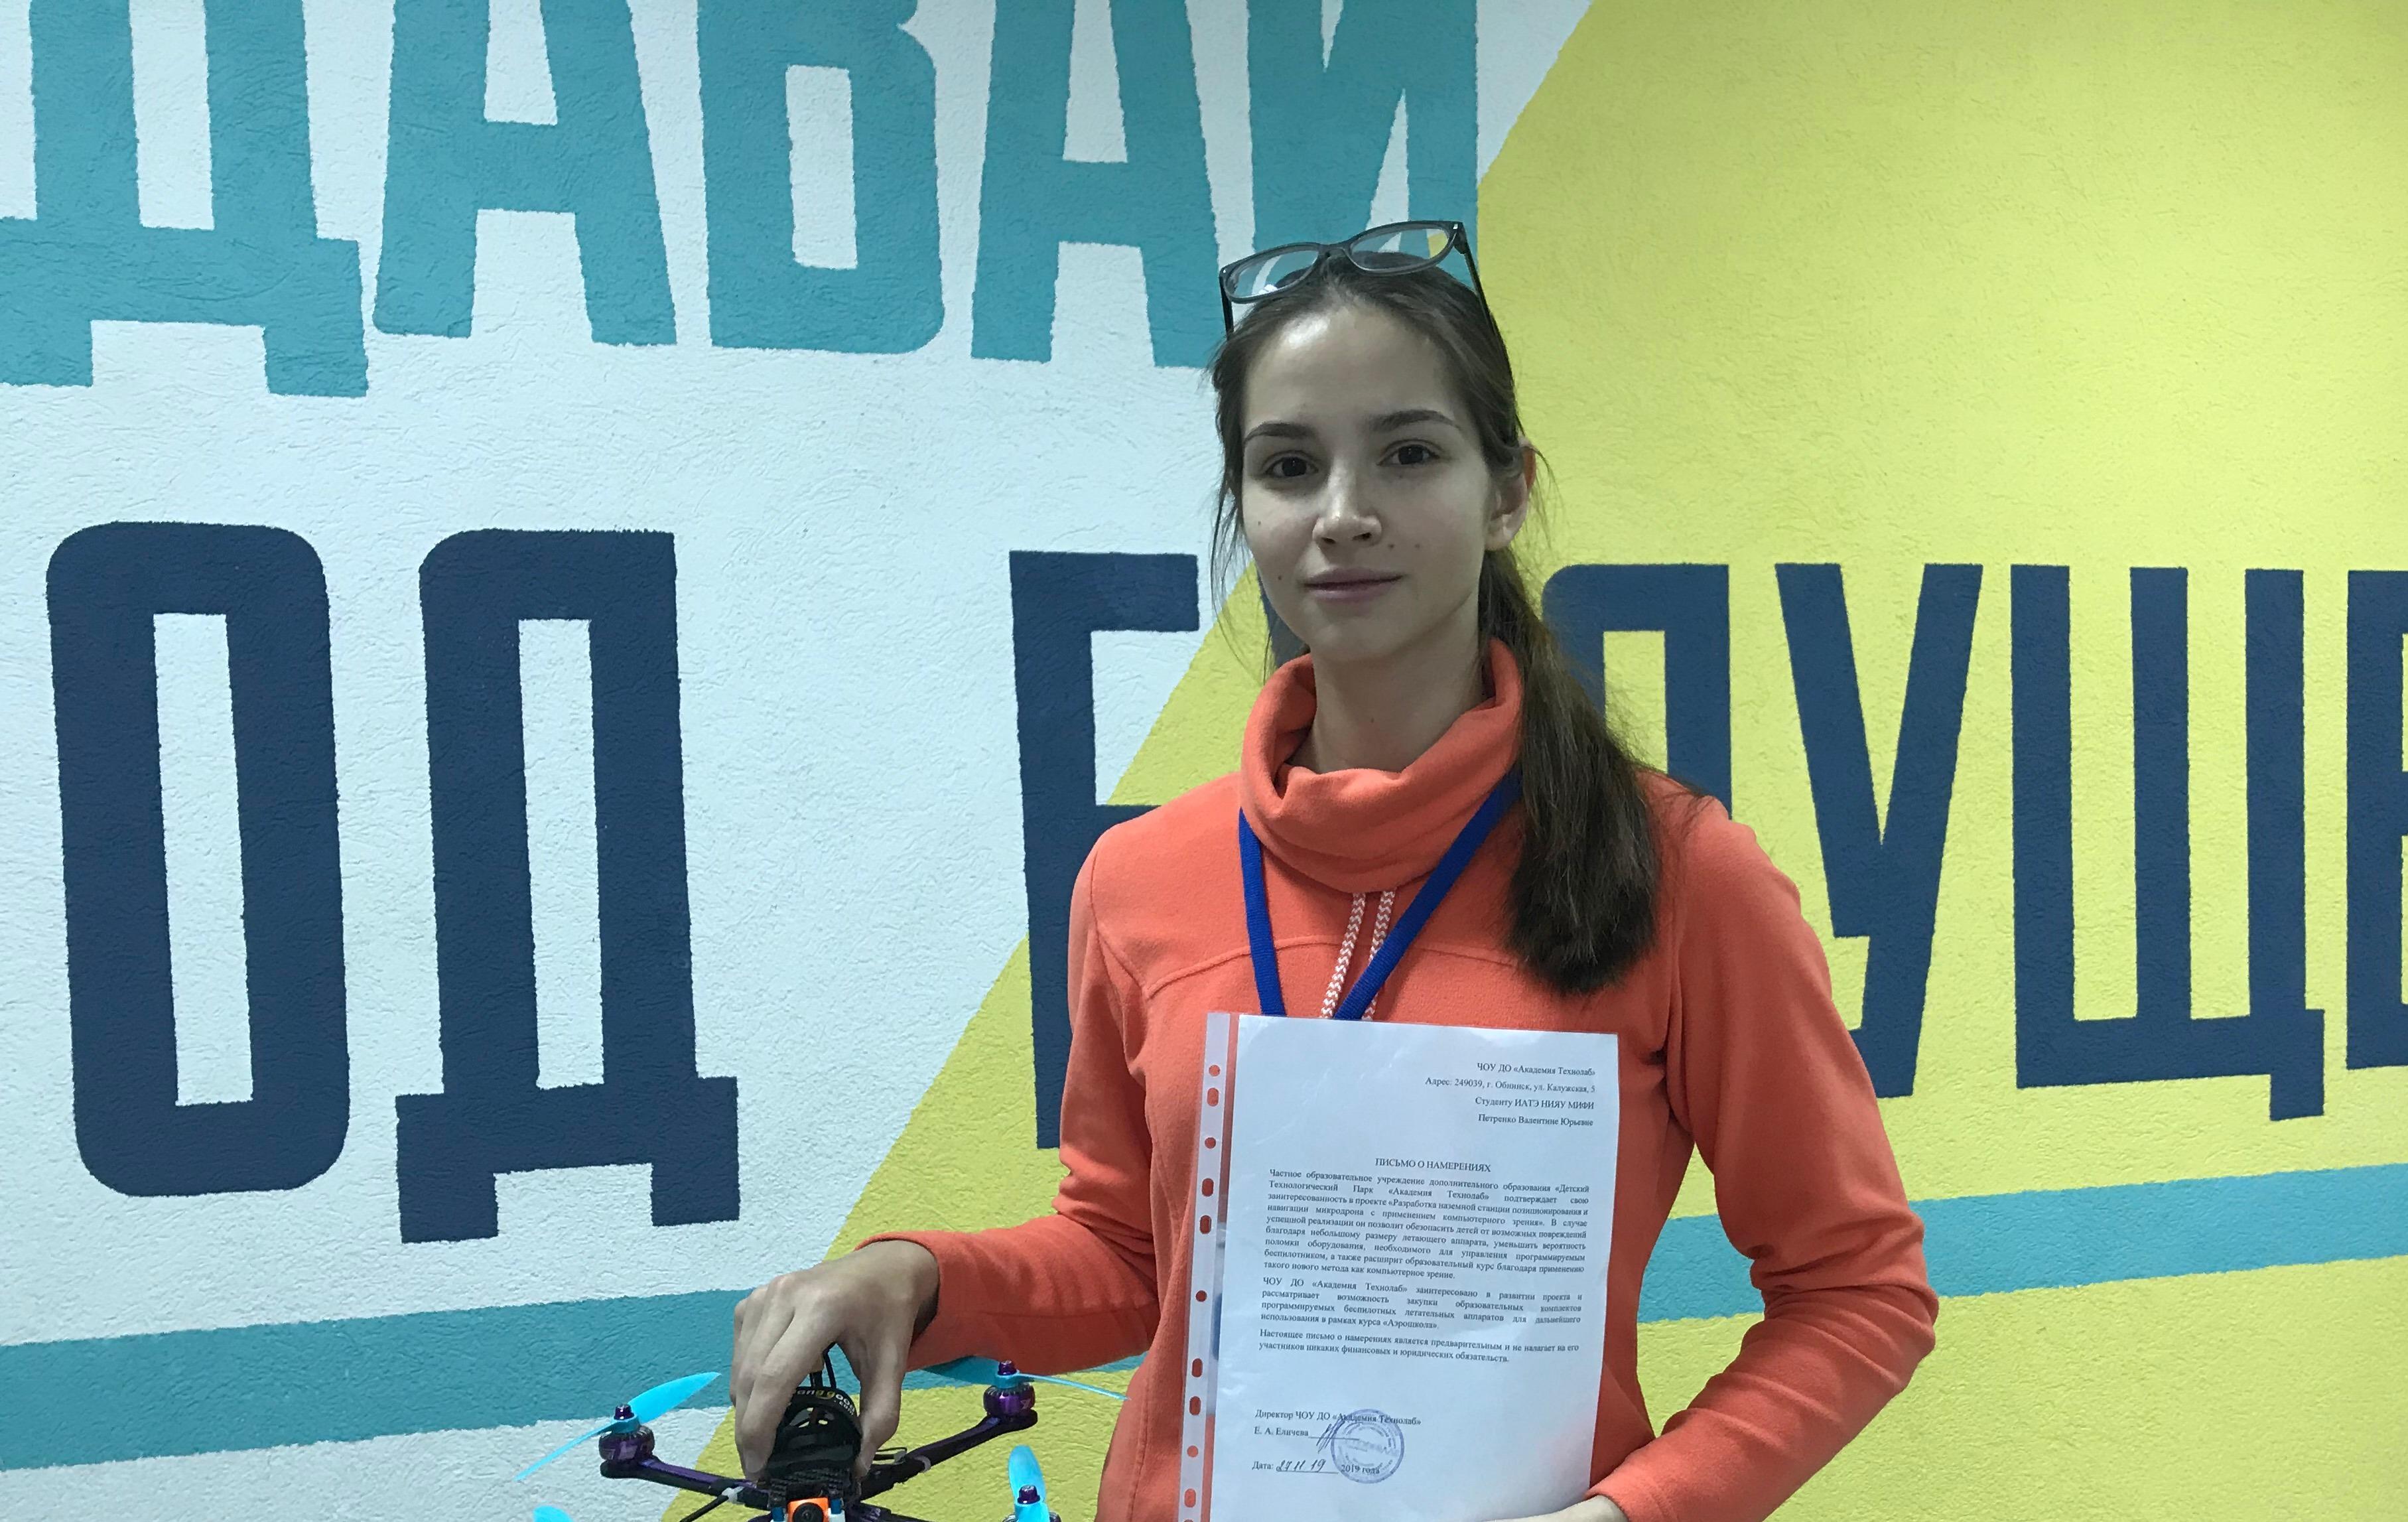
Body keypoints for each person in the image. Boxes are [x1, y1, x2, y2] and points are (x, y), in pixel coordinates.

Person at [728, 222, 1936, 1522]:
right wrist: (915, 1274)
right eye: (1290, 465)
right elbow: (1132, 1254)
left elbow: (1858, 1289)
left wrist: (1632, 1513)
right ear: (1245, 504)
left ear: (1508, 491)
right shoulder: (1139, 881)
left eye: (1409, 454)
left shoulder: (1678, 871)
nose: (1344, 513)